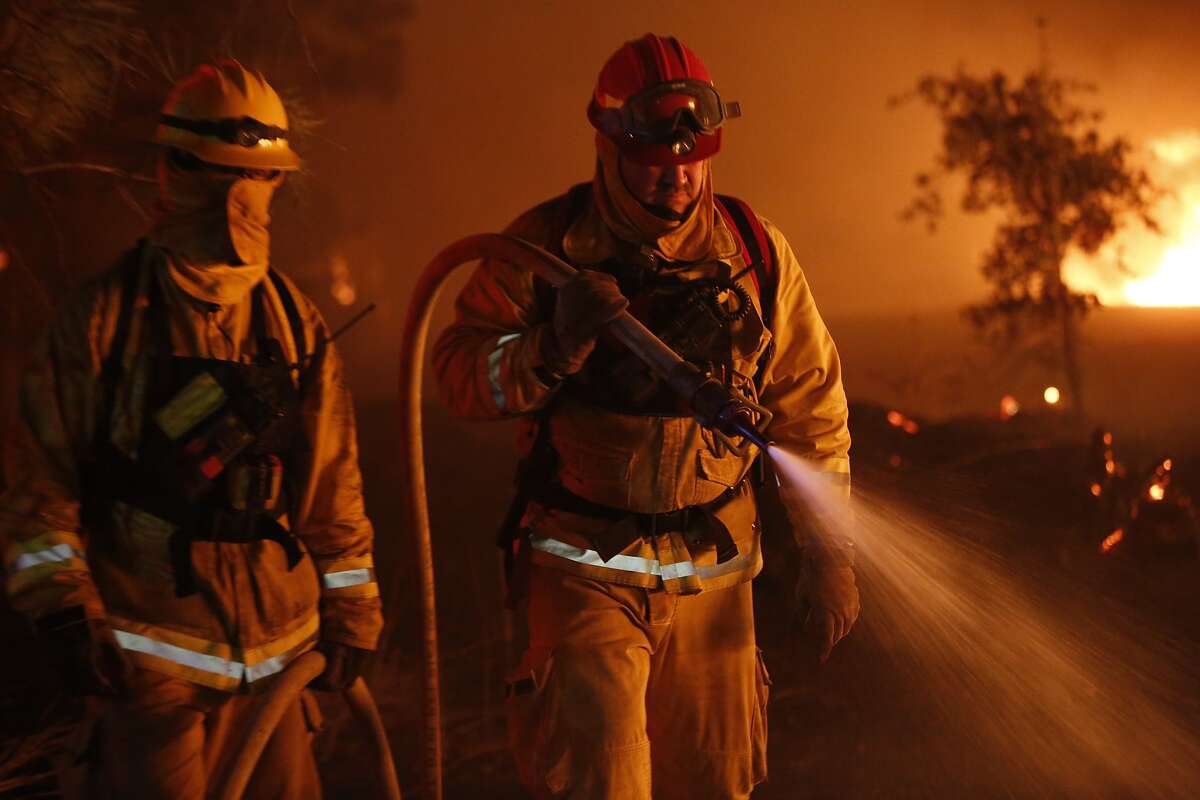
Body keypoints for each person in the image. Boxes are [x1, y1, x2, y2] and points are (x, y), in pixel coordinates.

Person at [433, 33, 858, 799]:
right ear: (608, 142)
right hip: (584, 579)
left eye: (692, 158)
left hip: (717, 584)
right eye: (656, 158)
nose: (677, 175)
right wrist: (549, 346)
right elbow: (460, 378)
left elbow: (812, 410)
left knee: (716, 782)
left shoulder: (755, 253)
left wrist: (830, 554)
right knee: (600, 782)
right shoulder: (543, 250)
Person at [0, 60, 381, 798]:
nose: (242, 200)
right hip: (151, 671)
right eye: (224, 175)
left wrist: (353, 611)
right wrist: (66, 616)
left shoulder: (292, 321)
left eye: (260, 178)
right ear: (177, 171)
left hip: (279, 665)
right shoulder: (107, 320)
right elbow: (38, 488)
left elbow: (332, 488)